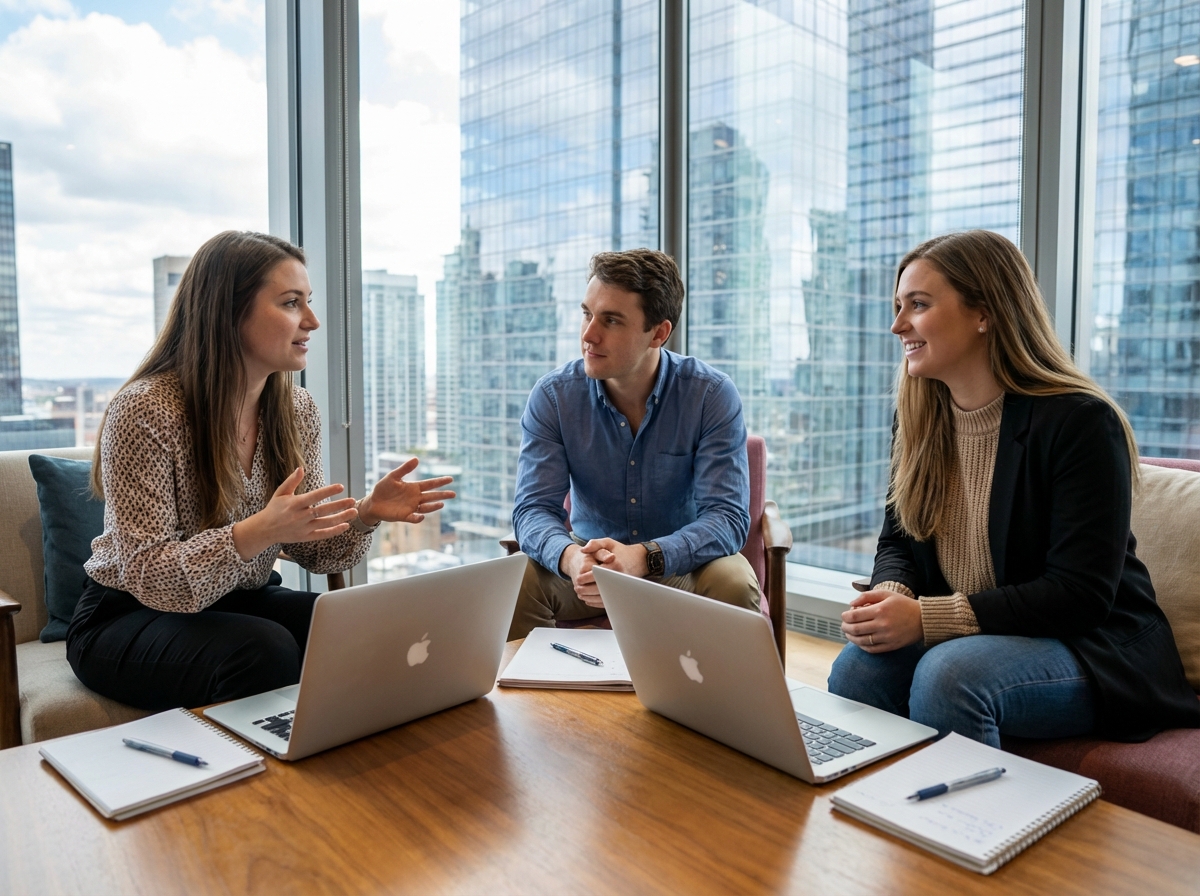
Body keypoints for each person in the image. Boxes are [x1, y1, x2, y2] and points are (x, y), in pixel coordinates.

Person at [827, 229, 1200, 746]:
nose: (897, 326)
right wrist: (892, 595)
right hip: (983, 632)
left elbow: (1080, 595)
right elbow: (898, 541)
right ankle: (877, 816)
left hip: (1089, 644)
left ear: (985, 313)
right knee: (857, 669)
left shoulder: (1081, 423)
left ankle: (963, 826)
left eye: (918, 304)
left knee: (949, 676)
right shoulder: (918, 419)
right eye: (898, 306)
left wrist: (929, 617)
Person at [67, 231, 455, 711]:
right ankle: (261, 785)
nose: (312, 321)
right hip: (125, 614)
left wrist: (364, 514)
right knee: (264, 650)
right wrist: (254, 533)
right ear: (227, 311)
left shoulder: (295, 409)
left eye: (308, 302)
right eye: (292, 303)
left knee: (363, 626)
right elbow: (149, 575)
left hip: (236, 598)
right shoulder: (146, 410)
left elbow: (315, 553)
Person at [508, 248, 761, 641]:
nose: (589, 334)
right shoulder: (554, 397)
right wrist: (572, 558)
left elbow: (726, 518)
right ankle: (545, 701)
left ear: (659, 332)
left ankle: (715, 702)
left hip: (682, 566)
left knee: (734, 581)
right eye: (587, 313)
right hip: (591, 569)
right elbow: (533, 509)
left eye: (611, 320)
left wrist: (644, 557)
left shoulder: (710, 394)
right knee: (515, 579)